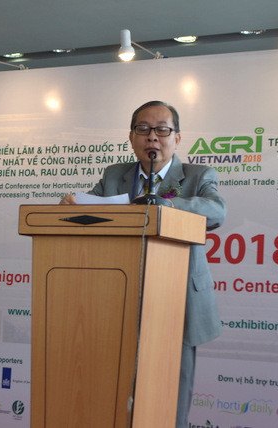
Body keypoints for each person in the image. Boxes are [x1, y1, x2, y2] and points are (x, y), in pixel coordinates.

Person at [60, 100, 226, 428]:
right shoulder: (114, 175)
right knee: (114, 390)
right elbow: (90, 211)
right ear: (131, 137)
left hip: (176, 301)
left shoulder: (198, 176)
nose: (152, 137)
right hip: (117, 297)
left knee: (171, 398)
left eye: (162, 129)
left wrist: (166, 205)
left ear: (177, 138)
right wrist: (72, 206)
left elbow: (216, 211)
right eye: (143, 129)